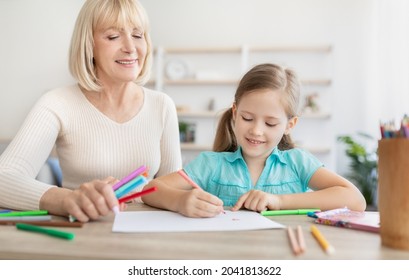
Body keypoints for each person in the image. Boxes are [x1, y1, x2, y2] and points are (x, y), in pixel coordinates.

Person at [0, 0, 182, 222]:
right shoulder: (56, 103)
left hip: (145, 236)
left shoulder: (162, 105)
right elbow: (3, 179)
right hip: (82, 233)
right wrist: (68, 199)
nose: (131, 47)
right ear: (89, 45)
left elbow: (174, 189)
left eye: (138, 35)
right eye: (113, 36)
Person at [142, 63, 366, 218]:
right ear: (235, 112)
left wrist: (279, 202)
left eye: (270, 123)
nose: (256, 131)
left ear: (290, 125)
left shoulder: (298, 162)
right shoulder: (211, 164)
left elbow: (355, 200)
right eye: (247, 118)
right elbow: (151, 189)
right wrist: (180, 201)